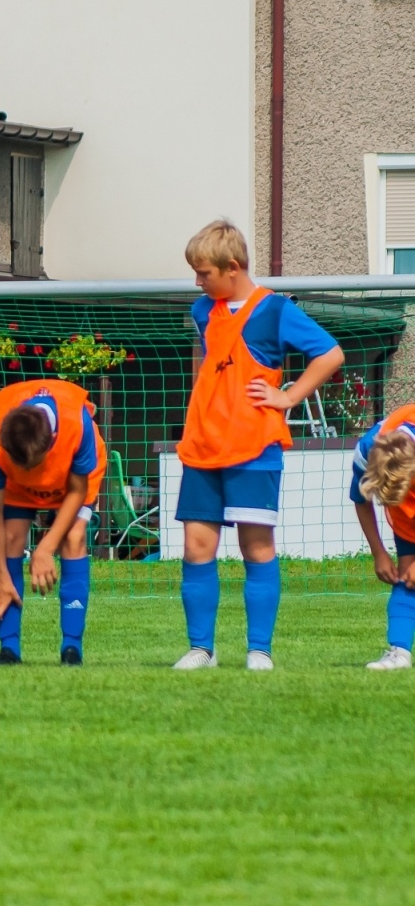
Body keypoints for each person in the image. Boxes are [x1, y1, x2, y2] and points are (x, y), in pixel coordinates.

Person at [173, 219, 343, 670]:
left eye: (204, 273)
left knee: (257, 549)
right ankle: (201, 649)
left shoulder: (275, 310)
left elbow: (331, 354)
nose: (197, 282)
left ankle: (259, 651)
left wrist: (288, 396)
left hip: (254, 449)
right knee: (196, 549)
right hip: (203, 447)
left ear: (232, 267)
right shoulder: (202, 311)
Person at [0, 379, 106, 666]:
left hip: (73, 481)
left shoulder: (78, 426)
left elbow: (77, 492)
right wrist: (0, 577)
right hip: (18, 487)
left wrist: (45, 549)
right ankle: (9, 649)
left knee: (73, 538)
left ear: (51, 439)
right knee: (11, 538)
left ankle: (72, 648)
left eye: (32, 464)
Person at [348, 406, 415, 670]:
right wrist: (379, 553)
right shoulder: (366, 451)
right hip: (406, 521)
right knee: (408, 578)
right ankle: (399, 653)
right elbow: (361, 500)